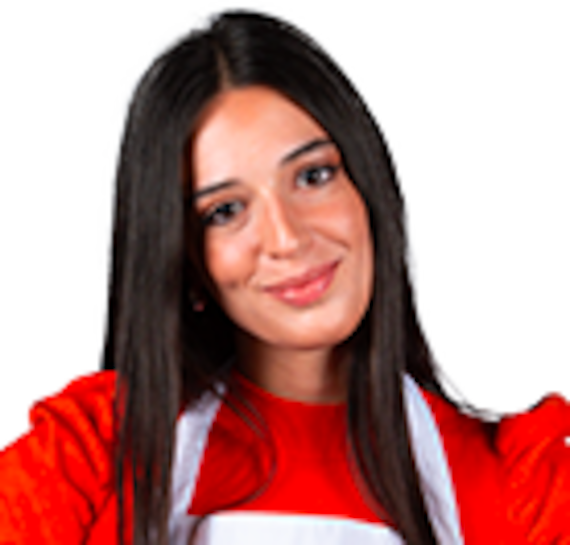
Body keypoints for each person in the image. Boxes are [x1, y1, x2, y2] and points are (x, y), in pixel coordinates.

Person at [1, 7, 568, 545]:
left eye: (313, 176)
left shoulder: (522, 495)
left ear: (368, 186)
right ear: (184, 258)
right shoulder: (86, 467)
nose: (287, 238)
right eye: (225, 211)